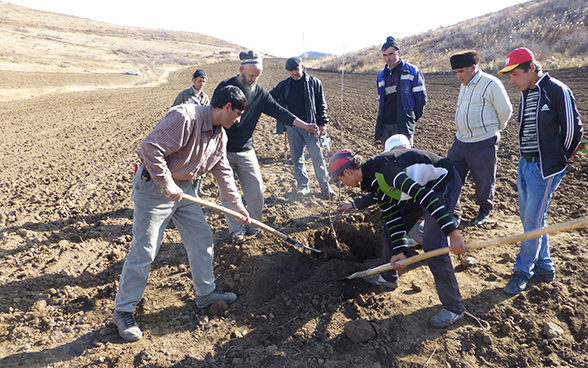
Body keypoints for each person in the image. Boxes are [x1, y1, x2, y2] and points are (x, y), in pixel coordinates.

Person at [113, 86, 251, 342]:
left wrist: (237, 206)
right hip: (154, 187)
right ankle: (124, 310)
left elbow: (224, 174)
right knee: (145, 249)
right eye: (239, 113)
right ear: (227, 107)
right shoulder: (186, 117)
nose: (239, 120)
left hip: (184, 190)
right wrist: (167, 184)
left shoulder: (220, 136)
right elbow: (149, 148)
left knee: (202, 238)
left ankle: (205, 294)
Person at [331, 145, 468, 328]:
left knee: (433, 245)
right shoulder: (371, 182)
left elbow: (425, 196)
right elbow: (392, 216)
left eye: (341, 180)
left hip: (441, 184)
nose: (344, 184)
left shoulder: (385, 171)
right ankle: (388, 276)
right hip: (420, 189)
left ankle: (454, 308)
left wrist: (453, 232)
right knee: (390, 227)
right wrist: (400, 251)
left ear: (347, 172)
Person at [498, 48, 583, 294]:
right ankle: (545, 265)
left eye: (515, 74)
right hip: (526, 163)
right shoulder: (528, 92)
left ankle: (523, 270)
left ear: (531, 68)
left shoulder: (556, 90)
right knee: (532, 219)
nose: (511, 81)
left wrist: (562, 158)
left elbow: (574, 130)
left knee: (532, 222)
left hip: (544, 168)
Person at [213, 50, 319, 243]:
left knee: (257, 190)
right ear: (241, 69)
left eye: (258, 75)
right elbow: (213, 115)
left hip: (246, 148)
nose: (254, 79)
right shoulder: (225, 88)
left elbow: (280, 112)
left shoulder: (260, 93)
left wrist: (306, 125)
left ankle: (254, 226)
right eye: (252, 75)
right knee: (228, 193)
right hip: (223, 149)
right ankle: (236, 230)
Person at [447, 50, 513, 226]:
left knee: (484, 179)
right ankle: (454, 212)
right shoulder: (464, 85)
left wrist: (494, 129)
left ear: (473, 67)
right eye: (456, 73)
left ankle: (484, 210)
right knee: (449, 175)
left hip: (483, 141)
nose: (458, 76)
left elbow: (505, 110)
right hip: (461, 141)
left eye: (461, 71)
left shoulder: (491, 84)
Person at [270, 57, 335, 199]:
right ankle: (303, 187)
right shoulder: (284, 85)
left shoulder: (314, 82)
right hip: (293, 127)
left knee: (317, 158)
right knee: (297, 159)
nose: (294, 73)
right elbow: (270, 98)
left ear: (303, 66)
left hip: (311, 127)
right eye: (291, 71)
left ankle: (325, 188)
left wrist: (323, 122)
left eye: (296, 69)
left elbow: (321, 104)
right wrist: (283, 106)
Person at [375, 36, 427, 146]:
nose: (388, 58)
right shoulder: (381, 76)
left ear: (398, 52)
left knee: (405, 158)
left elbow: (421, 98)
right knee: (388, 158)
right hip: (386, 124)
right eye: (384, 55)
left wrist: (411, 118)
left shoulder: (412, 71)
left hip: (403, 123)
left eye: (391, 54)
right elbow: (381, 100)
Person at [172, 68, 212, 197]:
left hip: (200, 133)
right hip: (186, 132)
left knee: (200, 161)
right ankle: (184, 189)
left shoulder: (205, 97)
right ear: (193, 80)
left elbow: (208, 113)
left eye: (204, 81)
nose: (202, 84)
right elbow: (174, 111)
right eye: (200, 80)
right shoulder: (184, 95)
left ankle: (197, 189)